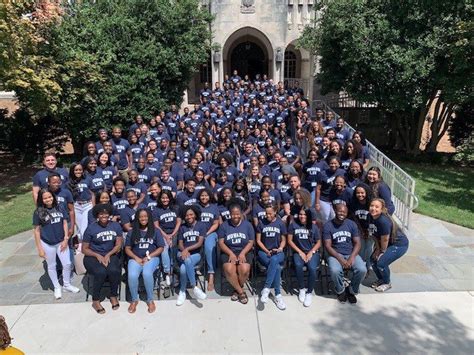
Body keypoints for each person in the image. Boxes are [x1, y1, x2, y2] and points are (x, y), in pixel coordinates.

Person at [33, 188, 80, 300]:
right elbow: (37, 231)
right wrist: (40, 248)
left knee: (67, 264)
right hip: (48, 243)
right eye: (45, 198)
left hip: (61, 242)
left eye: (50, 197)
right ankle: (57, 287)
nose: (48, 199)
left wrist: (65, 239)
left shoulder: (60, 207)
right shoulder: (38, 212)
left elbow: (64, 223)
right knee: (52, 265)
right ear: (41, 199)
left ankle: (67, 284)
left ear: (53, 197)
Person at [82, 204, 123, 314]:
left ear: (109, 214)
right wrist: (97, 255)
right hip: (92, 256)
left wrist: (109, 254)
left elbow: (118, 245)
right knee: (100, 272)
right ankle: (95, 300)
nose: (104, 215)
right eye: (101, 214)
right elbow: (84, 249)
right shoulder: (91, 228)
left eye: (106, 213)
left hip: (111, 253)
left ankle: (113, 295)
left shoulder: (116, 226)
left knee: (114, 270)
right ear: (97, 215)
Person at [323, 204, 367, 304]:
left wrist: (351, 258)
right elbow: (328, 246)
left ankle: (351, 290)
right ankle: (340, 290)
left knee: (362, 269)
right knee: (335, 270)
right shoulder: (328, 225)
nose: (342, 213)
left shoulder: (351, 224)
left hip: (350, 253)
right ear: (335, 211)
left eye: (344, 212)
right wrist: (340, 259)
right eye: (339, 211)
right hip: (335, 254)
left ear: (347, 214)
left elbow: (358, 243)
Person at [125, 208, 165, 313]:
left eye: (145, 216)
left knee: (147, 273)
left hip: (152, 258)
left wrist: (149, 257)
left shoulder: (155, 231)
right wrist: (136, 258)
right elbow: (127, 248)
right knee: (132, 275)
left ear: (149, 218)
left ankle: (150, 300)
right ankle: (134, 300)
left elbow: (161, 247)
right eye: (141, 216)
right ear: (137, 218)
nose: (143, 218)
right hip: (136, 258)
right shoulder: (132, 231)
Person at [369, 198, 409, 292]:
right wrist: (377, 249)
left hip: (399, 245)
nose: (373, 208)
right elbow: (373, 234)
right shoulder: (370, 217)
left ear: (382, 209)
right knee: (372, 259)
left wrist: (382, 252)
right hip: (385, 243)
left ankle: (387, 283)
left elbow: (385, 239)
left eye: (377, 207)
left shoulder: (383, 221)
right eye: (372, 206)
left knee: (381, 263)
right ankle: (381, 279)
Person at [218, 203, 255, 304]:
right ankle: (241, 291)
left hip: (244, 251)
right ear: (230, 214)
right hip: (228, 251)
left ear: (242, 214)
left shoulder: (248, 225)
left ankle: (236, 289)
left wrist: (243, 253)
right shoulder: (224, 226)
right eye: (233, 214)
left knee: (244, 269)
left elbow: (251, 242)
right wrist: (230, 254)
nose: (236, 216)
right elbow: (221, 242)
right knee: (229, 270)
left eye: (238, 214)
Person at [287, 208, 321, 307]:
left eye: (305, 215)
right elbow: (290, 240)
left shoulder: (313, 227)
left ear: (309, 216)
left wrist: (311, 252)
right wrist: (300, 252)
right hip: (299, 251)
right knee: (298, 265)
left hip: (312, 252)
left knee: (312, 268)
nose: (302, 216)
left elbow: (318, 242)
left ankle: (309, 292)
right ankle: (302, 288)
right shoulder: (293, 225)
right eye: (301, 214)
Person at [256, 204, 287, 310]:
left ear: (275, 212)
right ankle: (278, 295)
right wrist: (266, 250)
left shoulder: (280, 223)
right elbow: (258, 240)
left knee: (274, 260)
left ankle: (266, 288)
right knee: (277, 267)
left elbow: (284, 240)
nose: (267, 215)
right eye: (266, 213)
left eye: (270, 213)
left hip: (278, 252)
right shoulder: (261, 223)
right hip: (264, 252)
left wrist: (280, 248)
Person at [176, 205, 208, 306]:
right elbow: (180, 243)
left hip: (196, 254)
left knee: (183, 269)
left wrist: (187, 249)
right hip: (181, 252)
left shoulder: (201, 225)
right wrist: (184, 250)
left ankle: (182, 291)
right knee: (187, 261)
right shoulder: (182, 227)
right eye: (186, 215)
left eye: (191, 214)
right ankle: (194, 287)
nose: (189, 217)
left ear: (195, 215)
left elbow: (199, 243)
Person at [153, 190, 181, 287]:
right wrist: (166, 236)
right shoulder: (156, 210)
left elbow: (178, 222)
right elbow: (156, 226)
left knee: (174, 249)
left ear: (170, 198)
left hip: (175, 232)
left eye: (167, 198)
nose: (165, 200)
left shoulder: (176, 208)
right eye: (163, 198)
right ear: (160, 199)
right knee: (164, 249)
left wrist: (172, 234)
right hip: (162, 233)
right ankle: (168, 273)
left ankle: (176, 271)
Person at [197, 189, 220, 291]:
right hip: (197, 233)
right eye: (202, 195)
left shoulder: (214, 208)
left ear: (210, 196)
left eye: (206, 195)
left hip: (210, 232)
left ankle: (211, 274)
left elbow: (216, 223)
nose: (204, 197)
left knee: (209, 247)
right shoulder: (196, 207)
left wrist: (207, 233)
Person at [67, 163, 95, 242]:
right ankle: (80, 243)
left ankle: (86, 244)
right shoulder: (69, 182)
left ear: (83, 171)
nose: (78, 171)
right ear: (73, 171)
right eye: (76, 170)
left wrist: (93, 205)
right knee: (79, 226)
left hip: (87, 205)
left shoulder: (87, 179)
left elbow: (92, 193)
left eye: (80, 170)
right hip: (76, 205)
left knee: (85, 226)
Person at [349, 183, 373, 270]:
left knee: (369, 248)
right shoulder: (353, 203)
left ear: (366, 192)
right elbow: (353, 218)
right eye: (358, 193)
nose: (360, 195)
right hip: (358, 229)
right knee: (361, 248)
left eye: (362, 193)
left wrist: (368, 230)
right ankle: (361, 266)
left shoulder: (371, 203)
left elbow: (374, 217)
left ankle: (369, 265)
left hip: (370, 229)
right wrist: (360, 230)